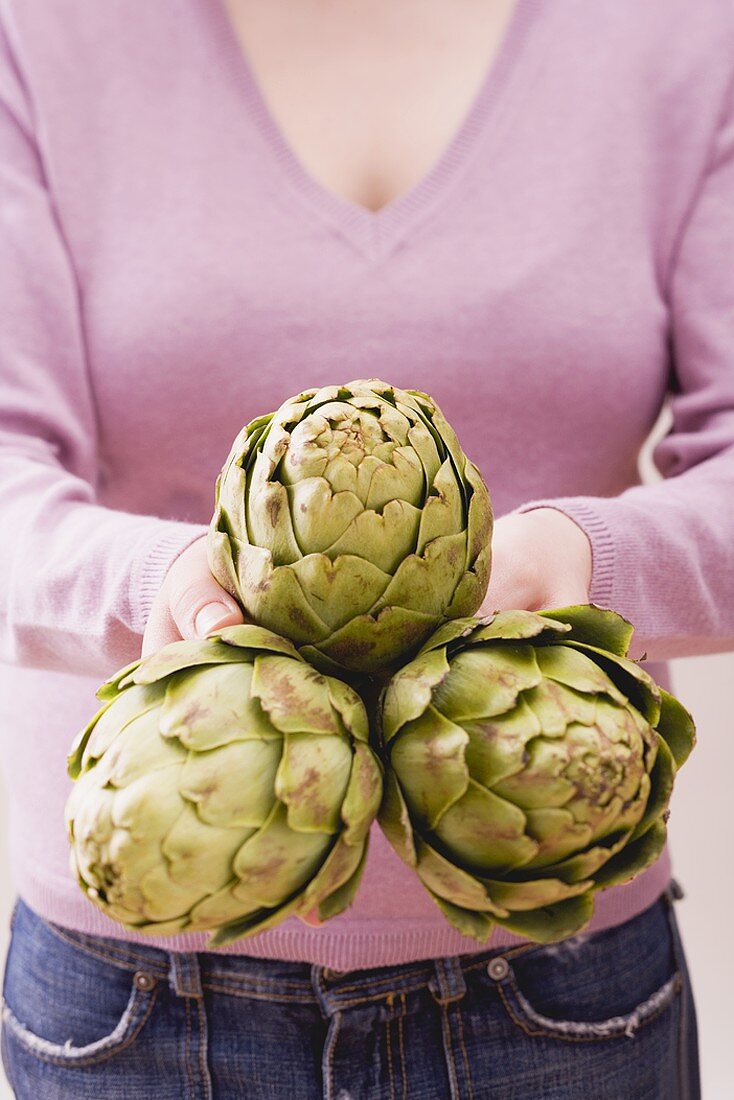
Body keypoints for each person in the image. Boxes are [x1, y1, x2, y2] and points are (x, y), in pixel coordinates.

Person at [1, 0, 730, 1095]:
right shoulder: (42, 31)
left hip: (563, 994)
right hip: (130, 995)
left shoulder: (684, 37)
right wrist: (170, 589)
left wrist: (581, 559)